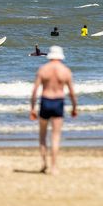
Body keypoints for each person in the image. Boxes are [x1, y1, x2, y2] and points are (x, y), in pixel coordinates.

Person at [29, 46, 77, 175]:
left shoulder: (43, 69)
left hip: (45, 101)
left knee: (43, 135)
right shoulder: (65, 71)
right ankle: (54, 167)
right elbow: (72, 93)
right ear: (61, 56)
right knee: (55, 136)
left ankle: (44, 164)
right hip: (58, 103)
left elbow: (34, 91)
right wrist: (74, 107)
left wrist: (32, 108)